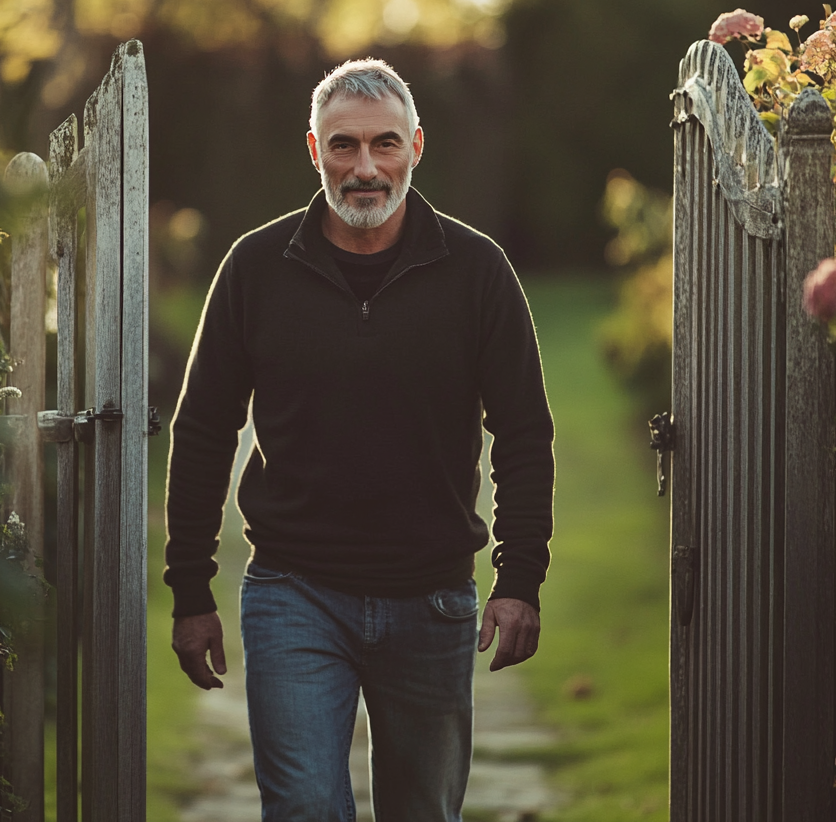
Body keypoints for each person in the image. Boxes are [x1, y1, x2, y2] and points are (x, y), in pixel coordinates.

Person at [164, 58, 555, 822]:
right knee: (305, 807)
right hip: (293, 594)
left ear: (416, 144)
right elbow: (204, 429)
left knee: (423, 812)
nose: (365, 168)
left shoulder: (479, 271)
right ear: (315, 151)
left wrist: (520, 580)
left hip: (434, 597)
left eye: (384, 145)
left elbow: (523, 434)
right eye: (343, 147)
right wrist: (189, 589)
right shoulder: (254, 267)